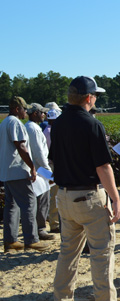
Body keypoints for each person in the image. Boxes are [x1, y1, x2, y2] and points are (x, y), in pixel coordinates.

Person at [50, 76, 120, 301]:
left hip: (64, 196)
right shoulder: (92, 124)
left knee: (68, 251)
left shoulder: (57, 123)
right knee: (102, 252)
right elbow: (103, 166)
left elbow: (53, 158)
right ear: (89, 98)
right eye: (95, 95)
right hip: (89, 196)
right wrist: (116, 199)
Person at [0, 97, 48, 252]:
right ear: (16, 109)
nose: (25, 112)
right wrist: (32, 166)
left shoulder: (4, 123)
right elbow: (21, 146)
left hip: (7, 172)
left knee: (11, 206)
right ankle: (31, 240)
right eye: (23, 109)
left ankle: (10, 241)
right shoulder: (15, 123)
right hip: (18, 171)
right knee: (29, 204)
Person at [25, 103, 55, 241]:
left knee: (36, 202)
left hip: (35, 169)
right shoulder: (34, 128)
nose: (44, 115)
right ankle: (41, 229)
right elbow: (39, 153)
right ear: (35, 113)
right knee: (42, 201)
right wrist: (48, 171)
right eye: (42, 112)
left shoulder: (28, 127)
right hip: (40, 169)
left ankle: (37, 229)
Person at [43, 108, 62, 233]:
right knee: (55, 195)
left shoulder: (45, 130)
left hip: (51, 163)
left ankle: (54, 221)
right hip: (54, 164)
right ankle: (55, 224)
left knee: (53, 195)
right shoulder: (53, 131)